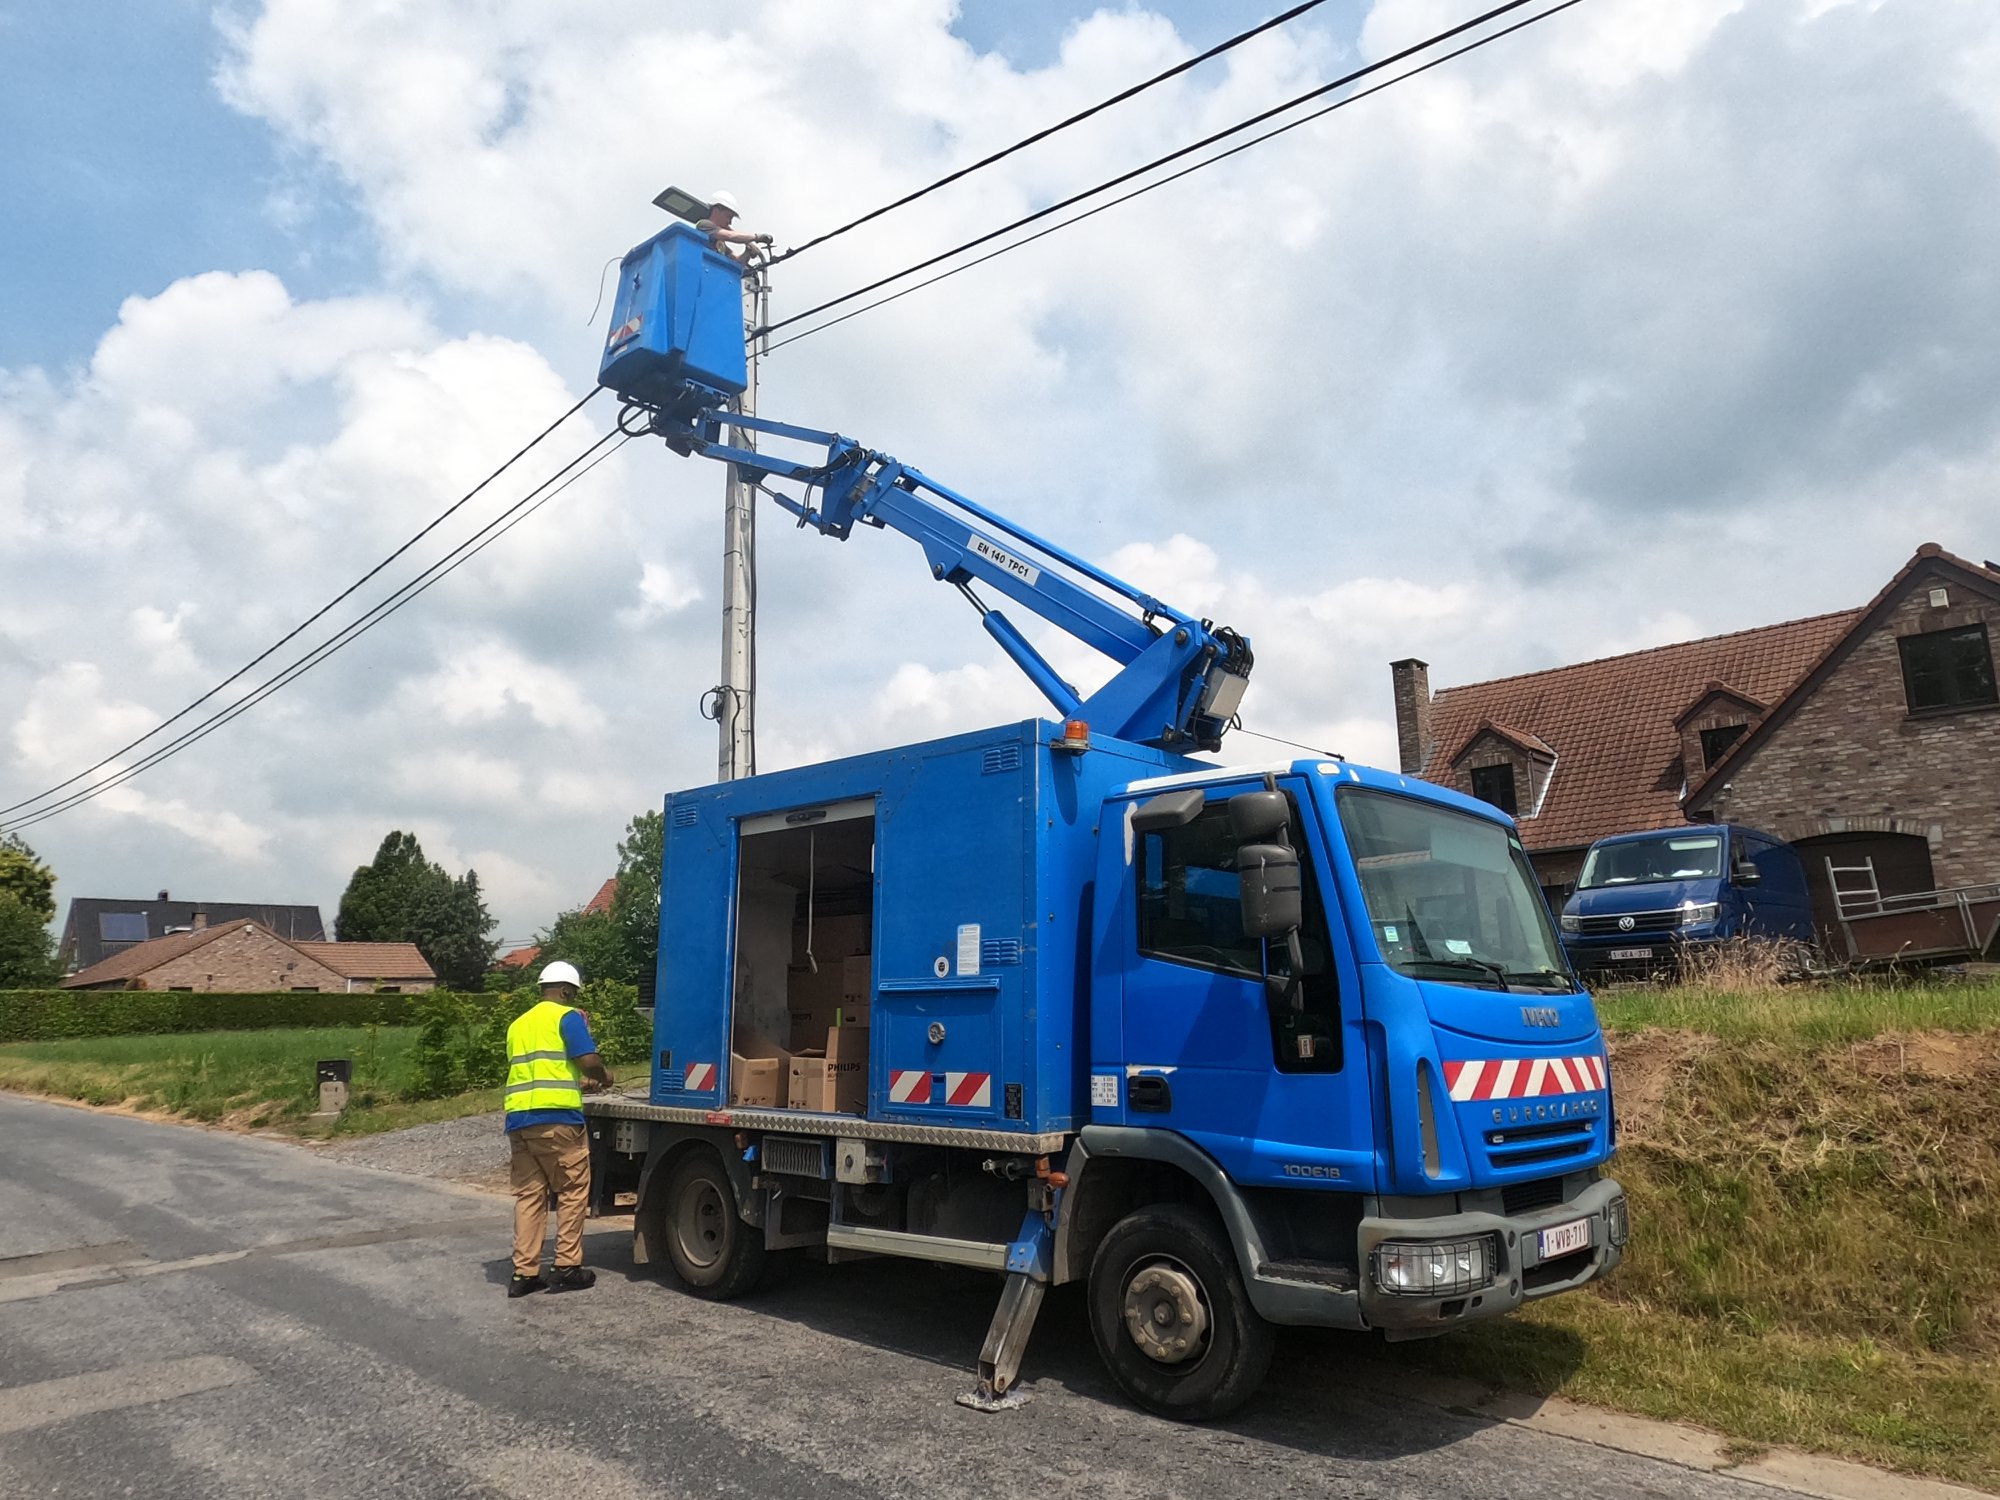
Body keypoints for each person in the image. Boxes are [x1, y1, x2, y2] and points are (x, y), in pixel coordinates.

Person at [504, 960, 614, 1297]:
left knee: (530, 1196)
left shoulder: (518, 1025)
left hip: (520, 1121)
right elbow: (589, 1060)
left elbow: (539, 1074)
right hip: (559, 1122)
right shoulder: (566, 1017)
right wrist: (603, 1077)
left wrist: (578, 1084)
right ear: (566, 990)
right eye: (574, 993)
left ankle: (524, 1275)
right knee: (572, 1190)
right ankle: (566, 1267)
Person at [696, 188, 773, 265]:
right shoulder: (704, 225)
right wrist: (757, 237)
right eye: (728, 217)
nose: (729, 222)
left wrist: (748, 251)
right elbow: (730, 236)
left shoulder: (719, 243)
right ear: (716, 211)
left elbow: (737, 261)